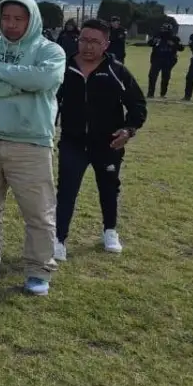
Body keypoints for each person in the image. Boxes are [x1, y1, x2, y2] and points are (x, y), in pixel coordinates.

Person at [0, 0, 66, 296]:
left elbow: (45, 79)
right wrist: (21, 85)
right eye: (6, 18)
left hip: (30, 144)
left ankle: (38, 270)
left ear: (31, 19)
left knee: (38, 212)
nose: (11, 24)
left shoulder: (50, 50)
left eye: (19, 19)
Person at [54, 19, 147, 261]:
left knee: (108, 188)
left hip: (107, 143)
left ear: (106, 44)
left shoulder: (117, 71)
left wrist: (128, 130)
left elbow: (137, 104)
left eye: (95, 42)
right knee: (66, 190)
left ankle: (110, 231)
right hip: (73, 141)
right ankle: (59, 239)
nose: (88, 46)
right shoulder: (63, 69)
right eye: (84, 39)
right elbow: (50, 102)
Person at [145, 22, 183, 99]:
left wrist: (173, 44)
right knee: (152, 76)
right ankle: (150, 93)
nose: (163, 31)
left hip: (168, 60)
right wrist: (154, 41)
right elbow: (149, 43)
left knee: (165, 77)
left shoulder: (175, 38)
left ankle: (163, 93)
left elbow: (181, 48)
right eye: (163, 29)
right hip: (157, 59)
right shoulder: (157, 36)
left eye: (165, 29)